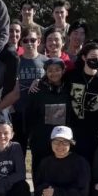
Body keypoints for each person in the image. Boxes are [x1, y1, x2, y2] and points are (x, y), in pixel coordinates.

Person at [23, 58, 70, 186]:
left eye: (57, 70)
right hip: (41, 137)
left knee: (61, 166)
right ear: (45, 72)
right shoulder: (37, 89)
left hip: (62, 137)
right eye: (50, 70)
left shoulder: (69, 87)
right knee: (40, 166)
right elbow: (29, 114)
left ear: (63, 70)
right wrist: (30, 135)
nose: (54, 73)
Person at [65, 41, 98, 164]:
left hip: (96, 131)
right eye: (92, 57)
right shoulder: (71, 76)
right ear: (84, 57)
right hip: (74, 129)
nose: (96, 59)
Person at [12, 24, 47, 159]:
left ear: (38, 41)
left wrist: (41, 81)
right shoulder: (15, 62)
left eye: (32, 40)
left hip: (39, 114)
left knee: (38, 152)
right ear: (21, 42)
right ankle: (19, 179)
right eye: (25, 40)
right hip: (18, 112)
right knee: (17, 152)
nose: (29, 43)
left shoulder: (46, 61)